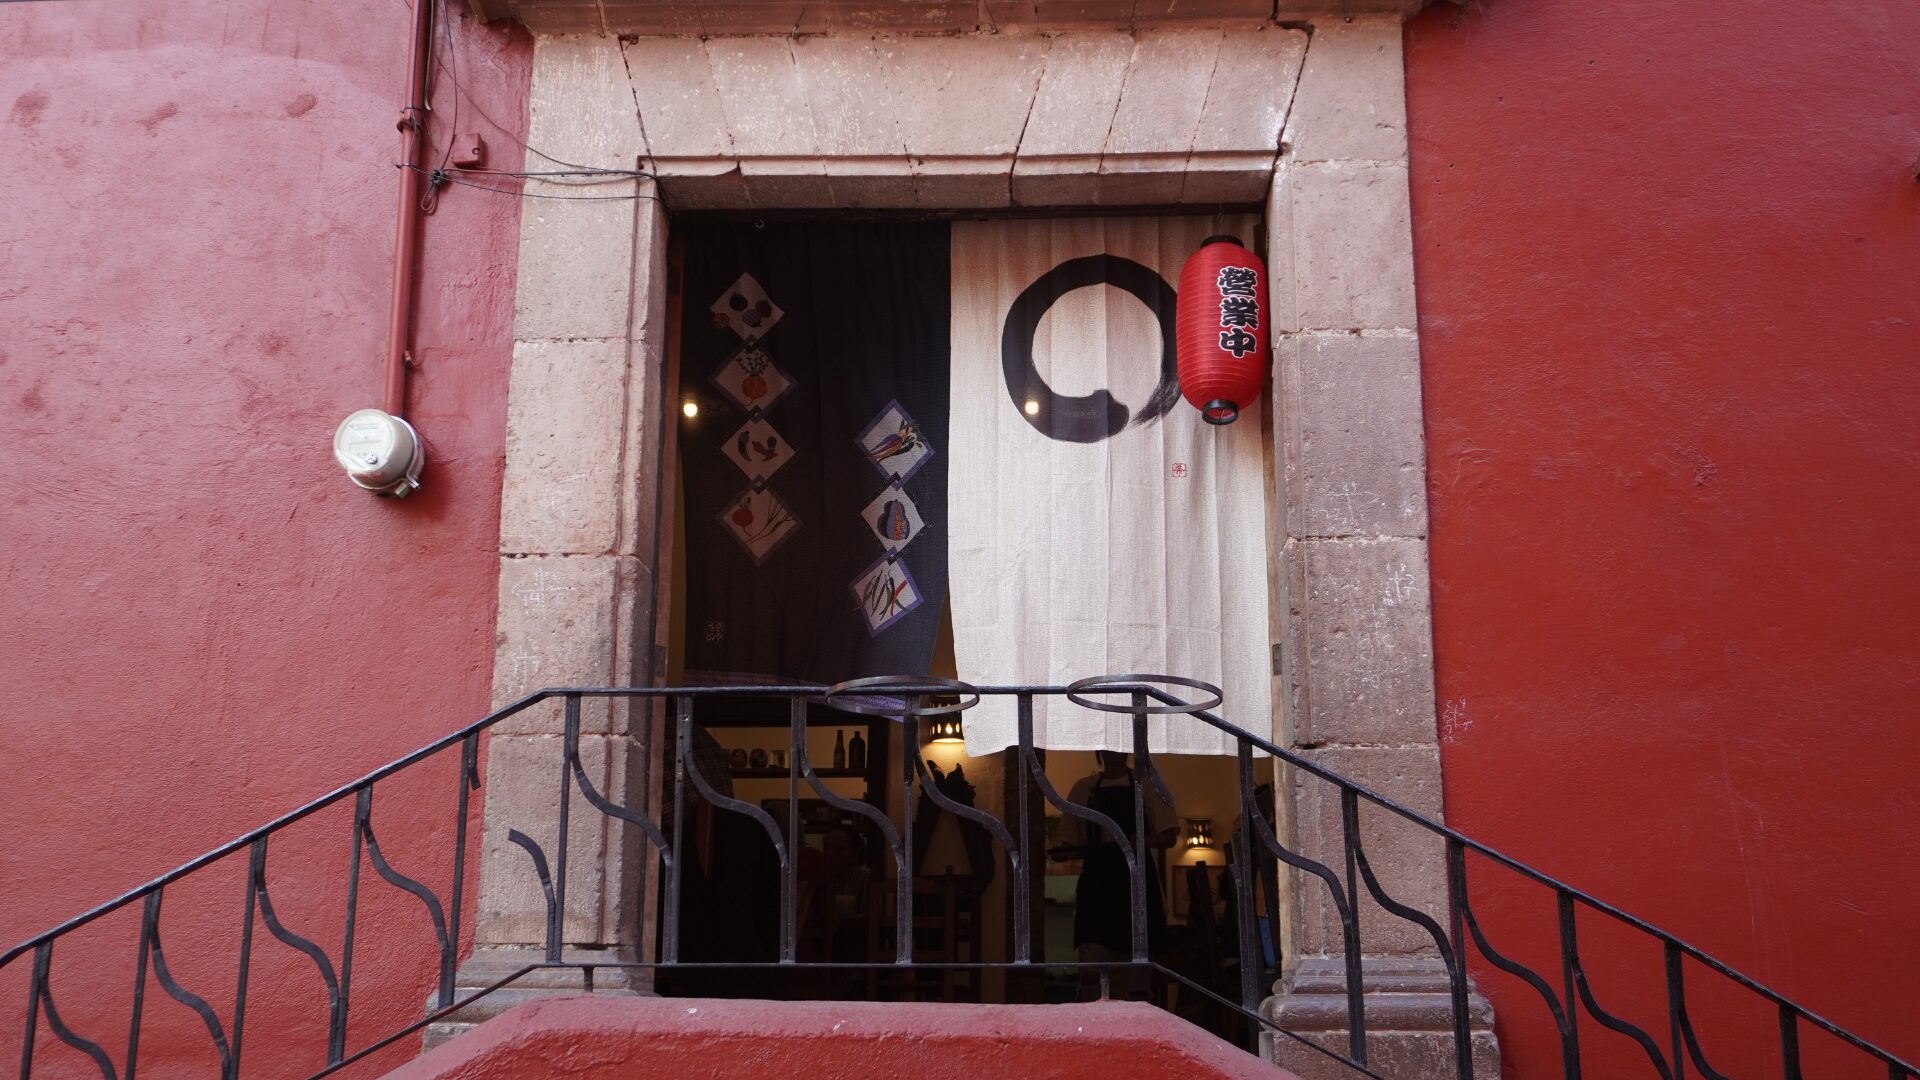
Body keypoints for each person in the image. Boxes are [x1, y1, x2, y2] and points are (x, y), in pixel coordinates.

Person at [1053, 750, 1178, 999]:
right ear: (1099, 750)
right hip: (1096, 889)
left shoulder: (1147, 786)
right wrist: (1064, 852)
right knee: (1092, 973)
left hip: (1136, 886)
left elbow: (1169, 836)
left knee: (1137, 975)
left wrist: (1137, 840)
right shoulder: (1084, 788)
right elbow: (1068, 839)